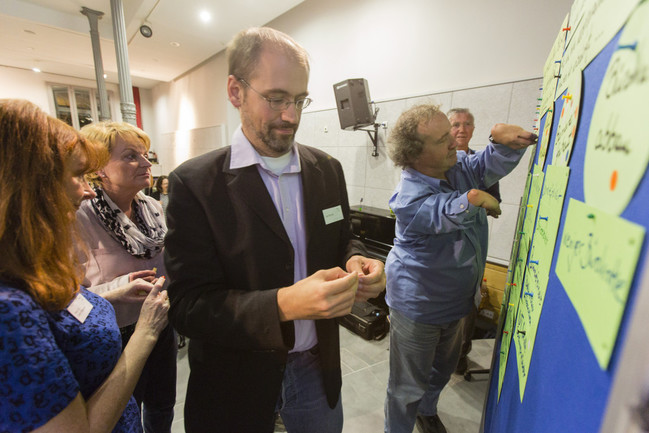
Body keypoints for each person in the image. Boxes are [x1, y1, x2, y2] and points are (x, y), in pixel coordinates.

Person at [164, 27, 386, 433]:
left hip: (316, 373)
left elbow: (340, 238)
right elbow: (188, 308)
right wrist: (284, 305)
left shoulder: (326, 171)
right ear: (236, 91)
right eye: (277, 99)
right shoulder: (194, 184)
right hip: (235, 384)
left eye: (299, 99)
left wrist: (355, 258)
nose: (292, 116)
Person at [0, 99, 170, 432]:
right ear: (32, 187)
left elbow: (61, 307)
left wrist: (117, 294)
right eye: (77, 175)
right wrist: (146, 331)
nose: (87, 191)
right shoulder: (10, 309)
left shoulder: (24, 269)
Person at [384, 104, 537, 433]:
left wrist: (502, 142)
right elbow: (442, 211)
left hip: (457, 300)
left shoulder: (455, 166)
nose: (455, 141)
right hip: (418, 306)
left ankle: (427, 410)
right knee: (406, 386)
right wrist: (473, 198)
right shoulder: (407, 196)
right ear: (415, 154)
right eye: (443, 139)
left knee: (442, 369)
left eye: (451, 133)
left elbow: (484, 164)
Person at [76, 121, 177, 433]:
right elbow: (67, 298)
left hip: (160, 323)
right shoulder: (79, 216)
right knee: (124, 413)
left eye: (145, 155)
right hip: (112, 336)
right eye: (131, 156)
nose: (146, 164)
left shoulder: (151, 207)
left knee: (162, 404)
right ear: (98, 168)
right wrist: (120, 289)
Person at [447, 108, 501, 375]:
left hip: (471, 242)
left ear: (474, 129)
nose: (461, 129)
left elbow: (494, 203)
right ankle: (438, 356)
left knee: (468, 299)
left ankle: (460, 355)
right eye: (456, 124)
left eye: (467, 124)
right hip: (444, 243)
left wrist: (477, 201)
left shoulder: (481, 163)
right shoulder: (437, 162)